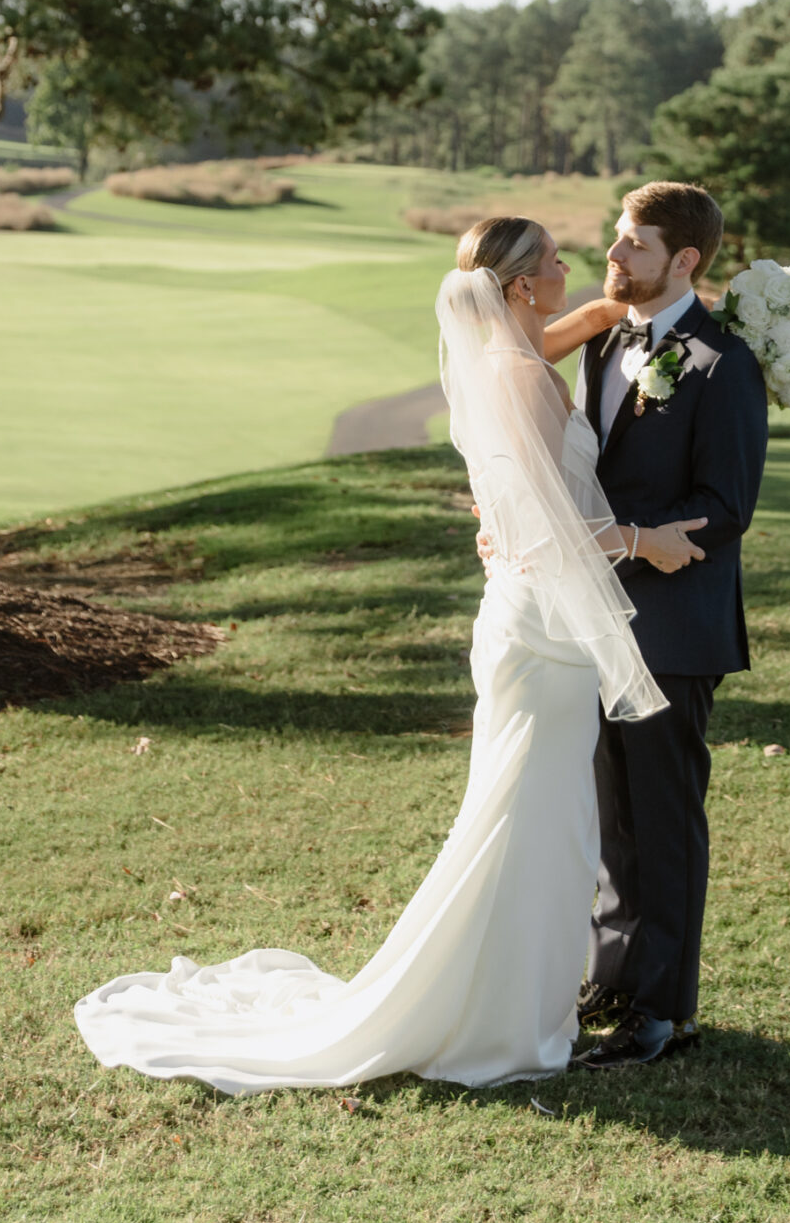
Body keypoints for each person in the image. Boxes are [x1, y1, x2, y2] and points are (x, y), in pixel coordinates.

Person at [72, 216, 706, 1093]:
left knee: (539, 819)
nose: (575, 265)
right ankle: (498, 1018)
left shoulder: (509, 358)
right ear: (520, 286)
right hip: (541, 632)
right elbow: (554, 524)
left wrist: (631, 311)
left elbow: (558, 347)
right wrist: (649, 541)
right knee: (534, 824)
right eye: (557, 260)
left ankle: (519, 1001)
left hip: (533, 623)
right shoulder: (521, 376)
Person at [571, 180, 769, 1071]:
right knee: (614, 817)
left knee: (665, 817)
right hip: (594, 619)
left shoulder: (724, 365)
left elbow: (725, 507)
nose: (612, 259)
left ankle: (663, 1012)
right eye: (616, 240)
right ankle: (611, 976)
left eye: (633, 245)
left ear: (684, 260)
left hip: (672, 628)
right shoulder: (607, 339)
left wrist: (632, 544)